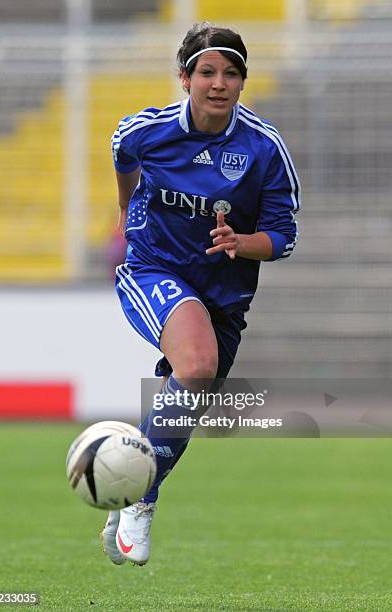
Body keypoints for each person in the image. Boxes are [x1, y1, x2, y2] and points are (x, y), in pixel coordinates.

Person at [101, 22, 301, 566]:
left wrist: (243, 241)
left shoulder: (263, 149)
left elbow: (283, 236)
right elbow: (123, 157)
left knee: (187, 398)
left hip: (226, 297)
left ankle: (131, 487)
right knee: (198, 362)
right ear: (185, 78)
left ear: (242, 81)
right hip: (154, 269)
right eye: (207, 72)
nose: (219, 83)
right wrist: (126, 211)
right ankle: (139, 500)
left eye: (231, 73)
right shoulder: (146, 131)